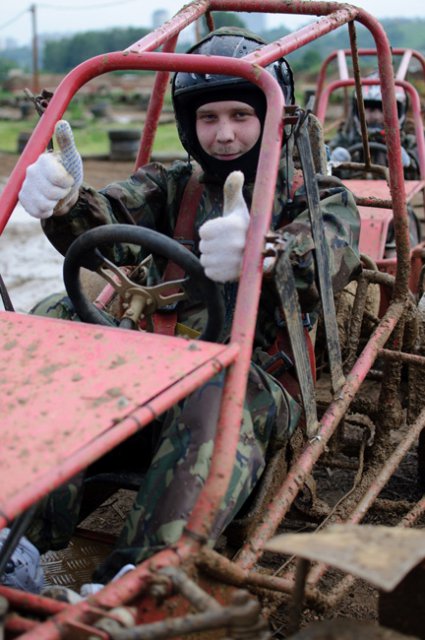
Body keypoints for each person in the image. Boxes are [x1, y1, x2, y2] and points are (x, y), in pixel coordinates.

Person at [2, 27, 361, 595]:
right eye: (208, 118)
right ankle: (16, 529)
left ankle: (137, 579)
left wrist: (263, 252)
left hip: (254, 379)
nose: (225, 134)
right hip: (156, 363)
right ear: (189, 124)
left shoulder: (319, 196)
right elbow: (111, 221)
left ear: (272, 118)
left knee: (217, 386)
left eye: (241, 115)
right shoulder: (174, 184)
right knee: (53, 316)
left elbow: (327, 257)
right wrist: (68, 202)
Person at [328, 73, 420, 179]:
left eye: (384, 109)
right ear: (357, 111)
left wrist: (409, 164)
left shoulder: (410, 142)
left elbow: (420, 174)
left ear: (399, 112)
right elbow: (322, 171)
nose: (376, 116)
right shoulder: (345, 140)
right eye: (370, 109)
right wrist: (333, 164)